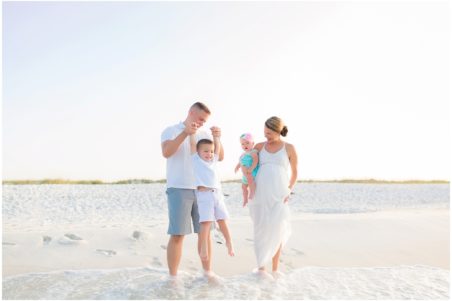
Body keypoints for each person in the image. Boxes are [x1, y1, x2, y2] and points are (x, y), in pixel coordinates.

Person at [160, 102, 224, 278]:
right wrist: (185, 133)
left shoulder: (204, 134)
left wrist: (217, 138)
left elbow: (219, 157)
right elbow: (166, 152)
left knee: (205, 234)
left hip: (203, 189)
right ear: (191, 112)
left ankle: (207, 273)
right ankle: (173, 278)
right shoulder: (171, 130)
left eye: (205, 120)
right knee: (178, 234)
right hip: (179, 188)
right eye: (200, 118)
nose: (203, 122)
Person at [247, 116, 298, 278]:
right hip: (260, 194)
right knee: (260, 229)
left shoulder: (289, 148)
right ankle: (261, 268)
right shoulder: (259, 146)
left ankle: (275, 269)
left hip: (280, 195)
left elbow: (295, 173)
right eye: (264, 132)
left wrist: (289, 190)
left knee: (278, 229)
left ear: (278, 131)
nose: (266, 136)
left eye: (269, 133)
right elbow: (248, 164)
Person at [189, 133, 234, 266]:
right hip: (204, 195)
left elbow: (218, 148)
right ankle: (203, 247)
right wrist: (191, 134)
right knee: (206, 223)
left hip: (217, 194)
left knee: (222, 220)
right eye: (206, 151)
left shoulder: (213, 160)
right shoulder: (196, 159)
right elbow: (192, 144)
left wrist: (217, 137)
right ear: (198, 152)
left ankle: (229, 242)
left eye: (211, 151)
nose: (209, 154)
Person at [234, 133, 259, 206]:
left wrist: (251, 168)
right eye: (243, 144)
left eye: (247, 143)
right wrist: (237, 167)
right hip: (245, 175)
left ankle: (252, 192)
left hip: (251, 173)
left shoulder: (253, 152)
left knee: (250, 182)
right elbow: (241, 162)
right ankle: (245, 199)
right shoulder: (243, 154)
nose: (245, 145)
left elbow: (255, 161)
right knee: (243, 187)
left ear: (252, 143)